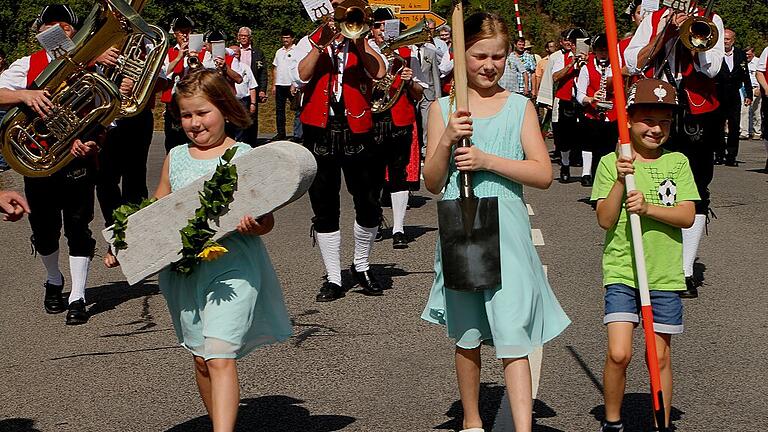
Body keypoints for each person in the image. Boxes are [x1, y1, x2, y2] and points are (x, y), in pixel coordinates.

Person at [421, 13, 570, 432]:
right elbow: (432, 182)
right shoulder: (443, 109)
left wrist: (488, 161)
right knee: (467, 335)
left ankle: (523, 426)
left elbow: (542, 174)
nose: (489, 65)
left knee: (513, 330)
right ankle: (471, 420)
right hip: (462, 224)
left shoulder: (520, 107)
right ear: (460, 55)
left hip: (507, 229)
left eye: (498, 56)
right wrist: (448, 139)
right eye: (479, 55)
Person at [155, 70, 291, 430]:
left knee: (219, 356)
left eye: (203, 113)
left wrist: (255, 224)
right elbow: (157, 211)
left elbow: (267, 220)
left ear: (225, 109)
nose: (195, 124)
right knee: (201, 358)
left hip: (233, 267)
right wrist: (123, 245)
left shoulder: (242, 155)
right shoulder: (176, 157)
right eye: (186, 115)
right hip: (187, 271)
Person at [591, 79, 699, 432]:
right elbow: (605, 220)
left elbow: (685, 216)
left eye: (664, 122)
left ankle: (663, 423)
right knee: (620, 353)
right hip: (623, 272)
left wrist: (649, 208)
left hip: (663, 274)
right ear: (629, 120)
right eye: (647, 120)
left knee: (661, 357)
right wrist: (622, 182)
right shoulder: (611, 163)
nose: (656, 129)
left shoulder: (677, 162)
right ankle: (612, 421)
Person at [0, 4, 100, 325]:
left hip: (76, 159)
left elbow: (103, 113)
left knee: (78, 226)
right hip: (38, 160)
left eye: (66, 25)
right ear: (40, 31)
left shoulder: (88, 66)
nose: (58, 28)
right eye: (50, 24)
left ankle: (78, 296)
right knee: (44, 231)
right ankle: (54, 279)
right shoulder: (26, 64)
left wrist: (94, 141)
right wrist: (25, 96)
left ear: (76, 31)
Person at [626, 3, 724, 299]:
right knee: (652, 178)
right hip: (659, 106)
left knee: (696, 187)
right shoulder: (655, 18)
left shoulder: (711, 18)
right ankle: (650, 261)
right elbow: (633, 63)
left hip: (696, 112)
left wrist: (693, 38)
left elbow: (713, 68)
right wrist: (664, 30)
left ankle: (684, 270)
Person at [293, 0, 387, 302]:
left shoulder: (364, 41)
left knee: (369, 202)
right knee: (324, 205)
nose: (341, 10)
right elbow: (300, 76)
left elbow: (379, 71)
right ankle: (333, 277)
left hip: (357, 131)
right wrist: (321, 42)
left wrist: (359, 43)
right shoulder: (309, 40)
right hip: (319, 131)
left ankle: (361, 265)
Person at [370, 8, 426, 249]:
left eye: (387, 26)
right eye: (378, 26)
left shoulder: (407, 52)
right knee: (370, 176)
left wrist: (410, 80)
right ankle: (372, 222)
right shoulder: (365, 52)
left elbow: (420, 93)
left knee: (398, 174)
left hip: (399, 118)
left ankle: (399, 228)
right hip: (370, 120)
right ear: (371, 29)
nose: (382, 31)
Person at [576, 33, 618, 187]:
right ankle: (597, 189)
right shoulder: (587, 69)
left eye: (606, 50)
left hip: (612, 116)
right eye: (600, 50)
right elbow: (580, 95)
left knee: (609, 154)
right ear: (595, 51)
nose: (603, 54)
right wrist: (591, 99)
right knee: (596, 153)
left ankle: (608, 188)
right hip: (593, 116)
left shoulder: (615, 67)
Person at [552, 28, 590, 182]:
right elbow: (555, 77)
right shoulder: (563, 57)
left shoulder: (591, 59)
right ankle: (565, 165)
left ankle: (586, 173)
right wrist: (571, 64)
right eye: (575, 43)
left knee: (586, 136)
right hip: (567, 101)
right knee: (565, 137)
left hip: (585, 101)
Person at [713, 29, 752, 166]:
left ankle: (731, 156)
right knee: (718, 125)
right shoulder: (716, 53)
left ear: (733, 40)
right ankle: (718, 154)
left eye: (728, 39)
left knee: (734, 126)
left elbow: (745, 74)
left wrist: (749, 94)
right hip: (718, 93)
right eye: (723, 39)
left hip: (734, 94)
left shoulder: (740, 54)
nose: (725, 42)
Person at [162, 15, 196, 153]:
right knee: (172, 142)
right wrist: (178, 57)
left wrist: (194, 58)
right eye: (181, 32)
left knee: (193, 142)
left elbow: (206, 75)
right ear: (175, 33)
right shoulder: (168, 52)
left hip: (194, 101)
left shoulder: (202, 52)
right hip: (173, 103)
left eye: (187, 31)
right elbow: (163, 73)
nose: (185, 35)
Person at [237, 26, 268, 144]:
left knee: (252, 116)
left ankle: (252, 142)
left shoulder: (258, 53)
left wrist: (262, 90)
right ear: (238, 37)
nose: (243, 38)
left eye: (245, 36)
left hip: (252, 88)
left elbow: (263, 73)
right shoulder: (232, 51)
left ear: (250, 38)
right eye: (241, 36)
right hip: (237, 89)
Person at [228, 45, 258, 142]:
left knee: (242, 127)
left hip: (243, 101)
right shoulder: (224, 68)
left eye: (237, 53)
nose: (235, 56)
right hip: (229, 101)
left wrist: (253, 103)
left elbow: (252, 86)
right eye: (232, 54)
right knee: (229, 127)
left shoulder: (245, 67)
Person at [272, 29, 298, 140]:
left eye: (287, 37)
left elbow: (299, 68)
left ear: (292, 38)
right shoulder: (279, 51)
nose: (285, 40)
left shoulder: (297, 51)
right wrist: (274, 84)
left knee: (297, 109)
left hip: (291, 84)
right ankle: (281, 133)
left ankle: (298, 134)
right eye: (283, 37)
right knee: (279, 111)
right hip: (280, 84)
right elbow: (275, 68)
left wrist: (294, 83)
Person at [739, 47, 761, 140]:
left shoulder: (758, 62)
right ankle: (744, 132)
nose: (747, 56)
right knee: (744, 111)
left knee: (756, 111)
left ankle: (757, 131)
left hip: (756, 88)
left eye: (749, 54)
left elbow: (761, 75)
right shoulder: (742, 62)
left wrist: (759, 88)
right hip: (744, 89)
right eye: (746, 54)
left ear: (753, 53)